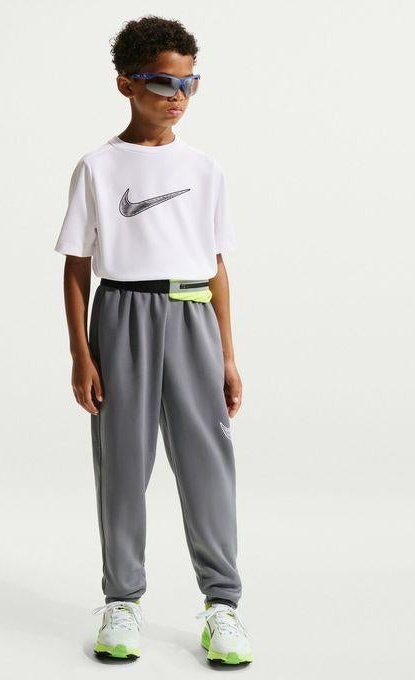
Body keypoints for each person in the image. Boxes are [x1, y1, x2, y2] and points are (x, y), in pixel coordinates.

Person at [53, 15, 253, 666]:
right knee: (122, 464)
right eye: (164, 82)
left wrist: (227, 354)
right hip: (122, 315)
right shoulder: (98, 167)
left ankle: (222, 606)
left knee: (207, 463)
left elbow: (216, 264)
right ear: (126, 84)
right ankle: (122, 601)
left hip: (193, 316)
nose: (178, 96)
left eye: (189, 83)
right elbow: (77, 267)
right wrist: (81, 353)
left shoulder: (205, 169)